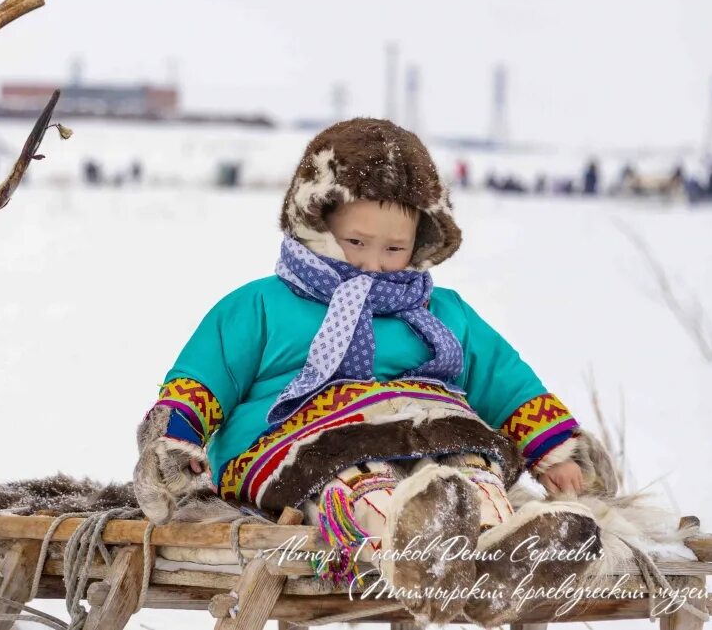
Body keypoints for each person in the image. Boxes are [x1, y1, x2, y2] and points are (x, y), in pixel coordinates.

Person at [132, 118, 610, 626]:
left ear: (422, 242)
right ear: (316, 222)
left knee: (472, 471)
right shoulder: (262, 305)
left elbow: (504, 380)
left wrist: (553, 449)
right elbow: (203, 378)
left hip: (435, 432)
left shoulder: (440, 312)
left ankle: (504, 556)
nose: (374, 265)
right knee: (362, 479)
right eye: (356, 243)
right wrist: (176, 444)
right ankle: (410, 537)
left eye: (394, 249)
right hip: (303, 445)